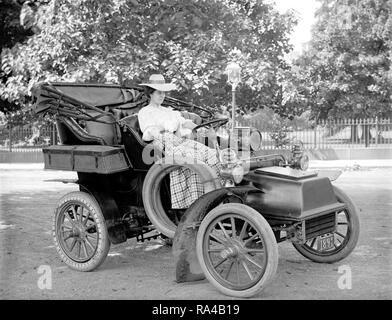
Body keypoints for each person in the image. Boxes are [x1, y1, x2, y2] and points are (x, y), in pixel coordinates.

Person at [138, 74, 222, 209]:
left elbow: (185, 123)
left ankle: (217, 195)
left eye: (164, 93)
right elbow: (148, 134)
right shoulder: (145, 112)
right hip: (162, 146)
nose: (162, 95)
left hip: (180, 141)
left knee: (211, 154)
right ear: (150, 94)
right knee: (194, 158)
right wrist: (165, 127)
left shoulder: (169, 111)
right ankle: (196, 204)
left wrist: (201, 127)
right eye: (159, 93)